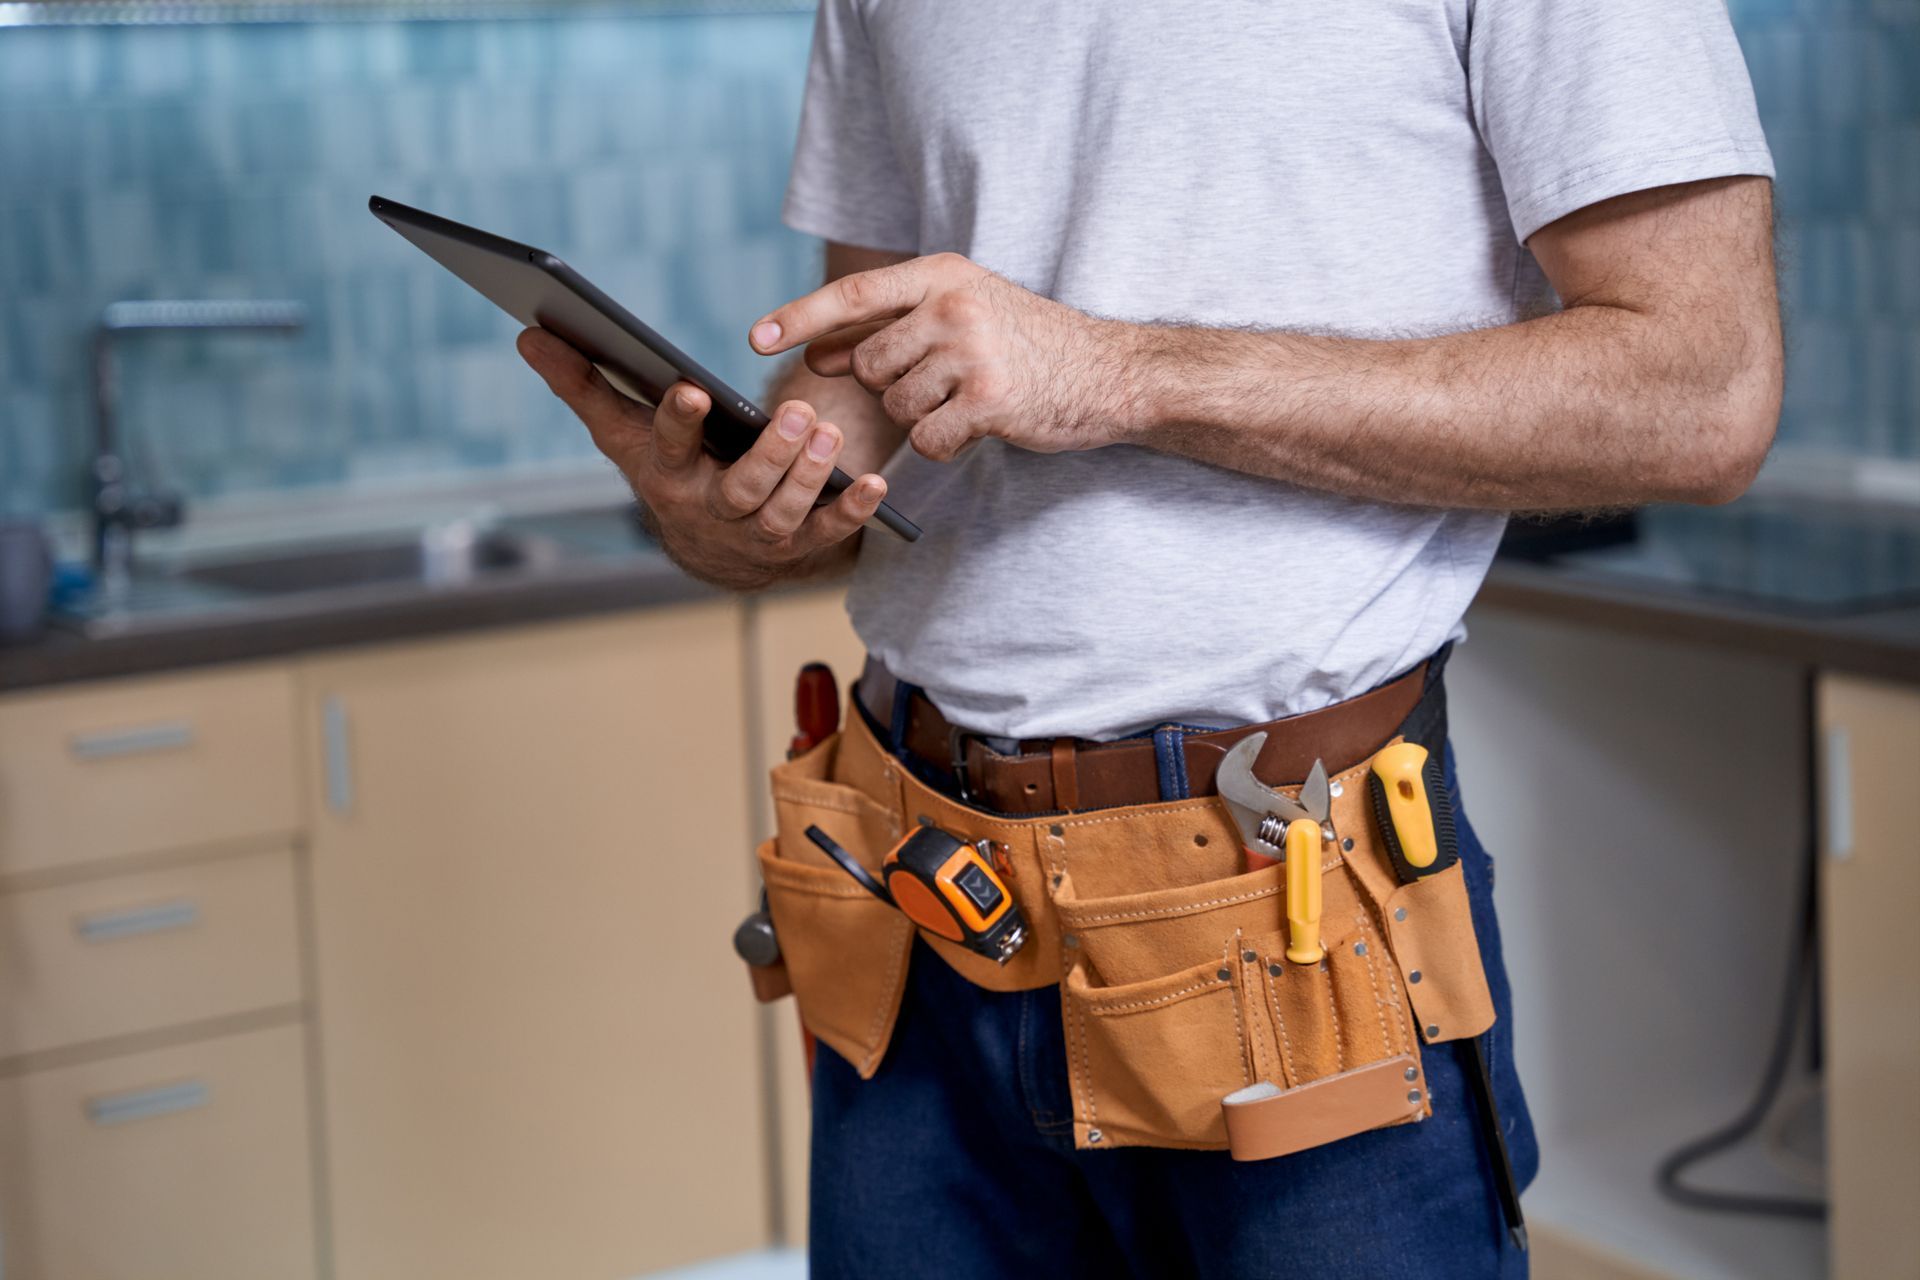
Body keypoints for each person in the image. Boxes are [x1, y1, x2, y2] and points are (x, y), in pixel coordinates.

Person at [520, 1, 1781, 1274]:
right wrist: (764, 495)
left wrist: (1120, 373)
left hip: (1290, 929)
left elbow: (1704, 387)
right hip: (912, 915)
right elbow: (871, 358)